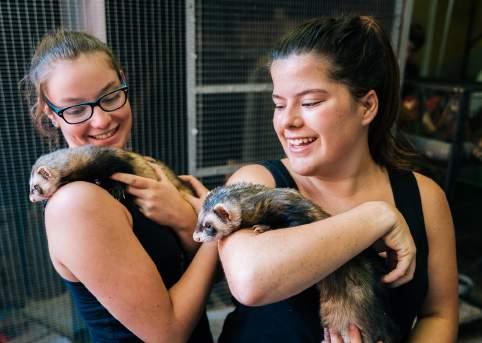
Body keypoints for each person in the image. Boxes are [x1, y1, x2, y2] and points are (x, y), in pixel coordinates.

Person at [217, 16, 458, 342]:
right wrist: (375, 217)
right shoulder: (259, 182)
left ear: (367, 105)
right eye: (278, 104)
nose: (287, 121)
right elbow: (248, 281)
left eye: (310, 102)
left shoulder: (424, 197)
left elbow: (439, 314)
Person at [23, 30, 218, 342]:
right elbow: (166, 334)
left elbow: (207, 275)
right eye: (75, 109)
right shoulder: (77, 203)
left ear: (123, 81)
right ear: (51, 113)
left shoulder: (140, 167)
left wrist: (184, 223)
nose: (101, 120)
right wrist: (214, 227)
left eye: (111, 95)